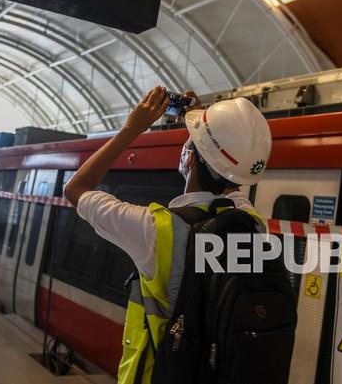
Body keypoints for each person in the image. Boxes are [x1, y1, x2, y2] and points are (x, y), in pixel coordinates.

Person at [63, 86, 273, 383]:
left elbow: (75, 189)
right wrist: (205, 128)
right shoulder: (251, 223)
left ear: (189, 160)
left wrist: (131, 130)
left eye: (190, 145)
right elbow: (228, 180)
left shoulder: (154, 230)